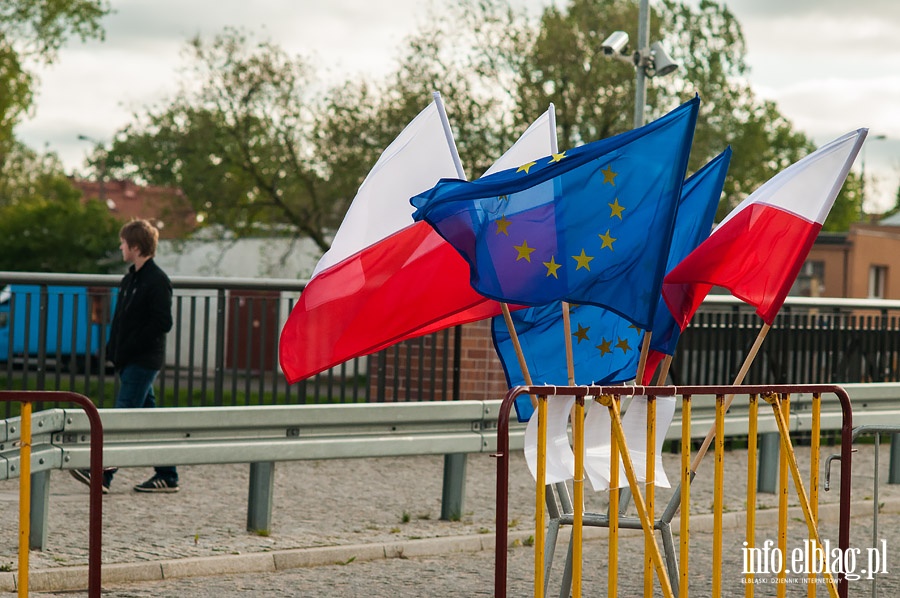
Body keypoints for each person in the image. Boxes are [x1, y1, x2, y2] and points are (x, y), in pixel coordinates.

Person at [70, 219, 179, 493]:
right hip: (129, 359)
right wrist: (113, 349)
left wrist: (129, 347)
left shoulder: (157, 281)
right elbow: (120, 319)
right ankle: (167, 475)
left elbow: (162, 322)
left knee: (121, 418)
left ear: (136, 246)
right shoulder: (130, 278)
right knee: (149, 419)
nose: (120, 247)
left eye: (123, 243)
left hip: (143, 360)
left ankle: (103, 475)